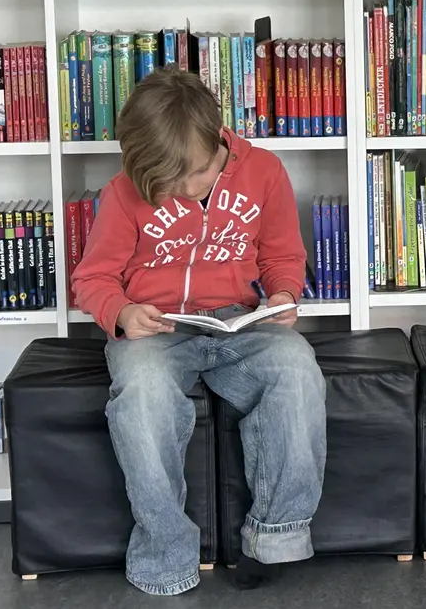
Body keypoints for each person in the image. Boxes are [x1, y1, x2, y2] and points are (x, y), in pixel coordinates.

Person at [72, 68, 324, 596]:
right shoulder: (123, 196)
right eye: (173, 182)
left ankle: (275, 537)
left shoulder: (265, 172)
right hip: (158, 329)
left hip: (239, 321)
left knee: (297, 368)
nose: (189, 190)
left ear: (219, 139)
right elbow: (92, 279)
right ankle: (164, 553)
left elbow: (282, 255)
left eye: (199, 173)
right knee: (140, 397)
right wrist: (120, 312)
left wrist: (283, 294)